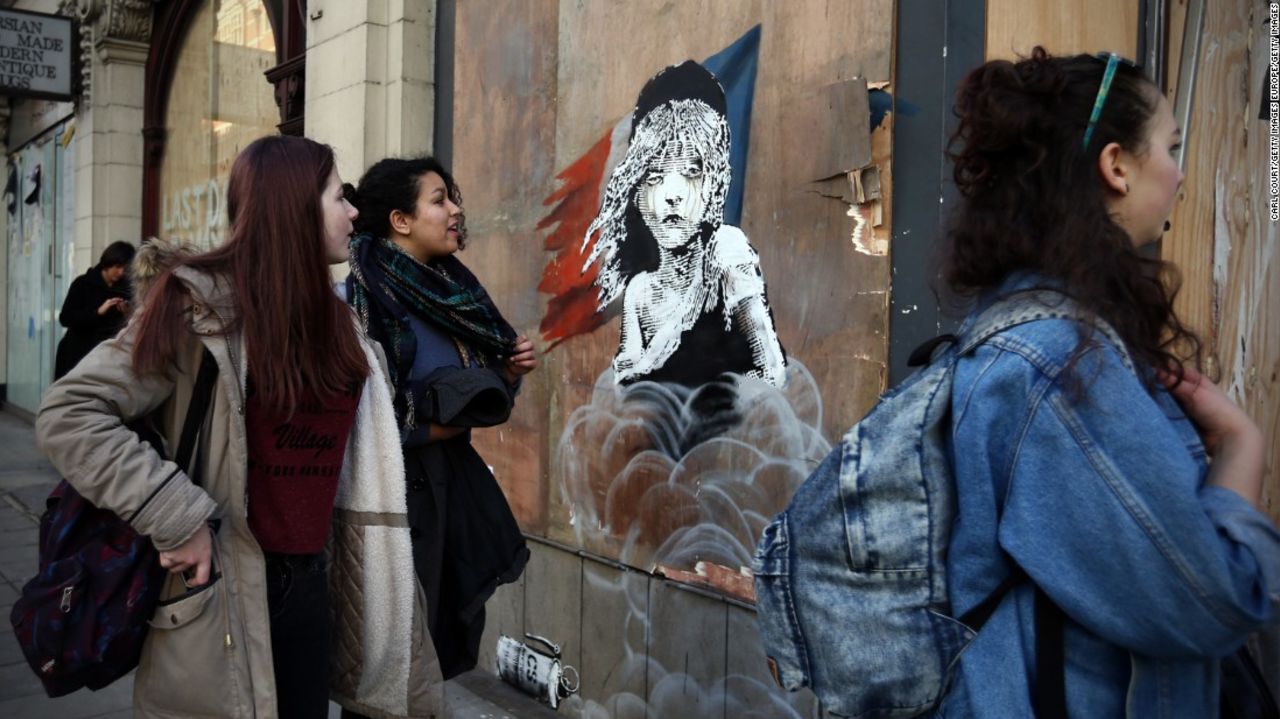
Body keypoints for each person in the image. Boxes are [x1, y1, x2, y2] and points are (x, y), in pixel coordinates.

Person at [36, 136, 441, 719]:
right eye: (338, 196)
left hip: (314, 587)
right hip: (221, 585)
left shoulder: (339, 320)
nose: (354, 212)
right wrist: (174, 515)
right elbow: (70, 415)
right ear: (292, 206)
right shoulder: (196, 305)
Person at [937, 48, 1278, 715]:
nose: (1181, 175)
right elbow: (1215, 600)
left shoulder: (1014, 331)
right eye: (1171, 148)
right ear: (1117, 164)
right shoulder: (1059, 367)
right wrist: (1241, 445)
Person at [346, 157, 535, 681]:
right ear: (399, 221)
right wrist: (432, 428)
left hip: (447, 493)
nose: (455, 210)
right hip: (390, 505)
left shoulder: (451, 292)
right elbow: (356, 420)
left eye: (451, 198)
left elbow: (468, 395)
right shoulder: (361, 302)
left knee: (429, 660)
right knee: (389, 672)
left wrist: (505, 373)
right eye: (438, 199)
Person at [585, 60, 786, 387]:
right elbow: (625, 386)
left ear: (715, 184)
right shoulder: (641, 292)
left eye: (692, 173)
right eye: (655, 176)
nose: (672, 194)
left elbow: (771, 370)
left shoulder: (726, 252)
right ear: (637, 193)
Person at [54, 240, 135, 379]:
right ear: (108, 263)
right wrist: (97, 312)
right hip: (77, 356)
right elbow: (65, 318)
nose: (121, 272)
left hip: (108, 359)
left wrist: (127, 313)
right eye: (117, 266)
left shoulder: (126, 289)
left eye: (125, 268)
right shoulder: (82, 283)